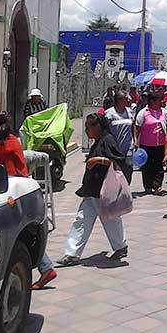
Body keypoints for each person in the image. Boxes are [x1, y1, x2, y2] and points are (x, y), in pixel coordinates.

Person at [0, 110, 58, 290]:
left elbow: (4, 174)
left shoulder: (2, 147)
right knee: (24, 236)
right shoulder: (12, 140)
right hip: (23, 192)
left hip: (12, 196)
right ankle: (46, 268)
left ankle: (43, 268)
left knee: (15, 236)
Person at [59, 113, 128, 265]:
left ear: (97, 127)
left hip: (102, 190)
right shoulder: (98, 141)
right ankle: (72, 254)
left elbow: (117, 161)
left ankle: (121, 246)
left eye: (88, 127)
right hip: (91, 190)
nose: (86, 131)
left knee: (111, 219)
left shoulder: (107, 140)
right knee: (82, 220)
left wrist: (98, 160)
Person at [134, 91, 167, 195]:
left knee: (159, 166)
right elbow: (137, 127)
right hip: (146, 145)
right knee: (147, 166)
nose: (161, 102)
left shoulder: (164, 112)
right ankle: (148, 186)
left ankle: (157, 186)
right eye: (159, 100)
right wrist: (135, 140)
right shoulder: (143, 112)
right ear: (152, 101)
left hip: (160, 144)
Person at [104, 91, 134, 183]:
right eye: (126, 98)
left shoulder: (130, 111)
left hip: (128, 147)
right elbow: (104, 131)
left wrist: (135, 139)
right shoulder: (109, 114)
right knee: (114, 171)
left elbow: (133, 127)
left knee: (128, 168)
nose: (129, 100)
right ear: (120, 100)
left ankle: (125, 188)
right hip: (114, 148)